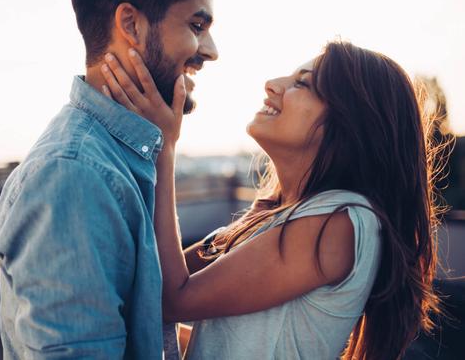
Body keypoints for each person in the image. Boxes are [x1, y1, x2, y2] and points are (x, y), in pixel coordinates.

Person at [100, 41, 442, 359]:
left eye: (303, 83)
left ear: (350, 123)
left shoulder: (340, 221)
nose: (272, 83)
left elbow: (169, 299)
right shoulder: (277, 213)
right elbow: (163, 290)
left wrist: (163, 146)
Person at [0, 0, 218, 358]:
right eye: (197, 26)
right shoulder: (73, 176)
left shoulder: (118, 160)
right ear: (130, 25)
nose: (211, 51)